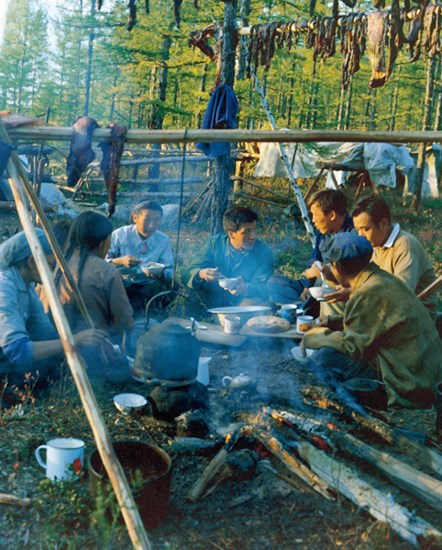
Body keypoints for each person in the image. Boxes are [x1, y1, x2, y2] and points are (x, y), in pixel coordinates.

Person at [301, 233, 442, 408]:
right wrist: (333, 321)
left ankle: (362, 399)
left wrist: (314, 337)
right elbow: (379, 320)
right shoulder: (380, 278)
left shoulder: (366, 293)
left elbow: (354, 347)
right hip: (428, 374)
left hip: (411, 383)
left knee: (325, 357)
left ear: (336, 267)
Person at [0, 229, 107, 393]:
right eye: (50, 266)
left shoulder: (26, 284)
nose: (53, 272)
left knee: (54, 362)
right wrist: (73, 341)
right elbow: (17, 351)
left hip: (10, 354)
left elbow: (46, 333)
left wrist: (69, 354)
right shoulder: (4, 287)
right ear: (31, 262)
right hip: (7, 356)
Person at [54, 211, 134, 349]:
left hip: (56, 343)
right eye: (110, 239)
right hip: (97, 348)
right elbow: (124, 321)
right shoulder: (107, 271)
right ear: (102, 243)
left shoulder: (55, 265)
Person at [267, 189, 355, 314]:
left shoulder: (355, 236)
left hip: (335, 288)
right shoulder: (323, 232)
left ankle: (302, 311)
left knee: (328, 291)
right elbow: (315, 259)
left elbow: (351, 277)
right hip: (316, 286)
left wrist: (322, 274)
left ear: (332, 215)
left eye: (315, 214)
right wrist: (308, 286)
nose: (313, 220)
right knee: (275, 282)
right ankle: (301, 309)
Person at [352, 196, 437, 319]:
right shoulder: (376, 244)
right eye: (357, 230)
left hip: (415, 317)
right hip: (387, 309)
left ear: (384, 224)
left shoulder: (405, 245)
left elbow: (401, 293)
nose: (361, 236)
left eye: (365, 229)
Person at [181, 206, 273, 308]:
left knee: (255, 303)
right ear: (231, 233)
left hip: (242, 304)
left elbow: (265, 288)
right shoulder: (215, 244)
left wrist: (246, 289)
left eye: (254, 230)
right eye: (246, 232)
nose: (253, 236)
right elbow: (188, 271)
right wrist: (201, 273)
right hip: (210, 302)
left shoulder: (263, 251)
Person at [106, 201, 174, 312]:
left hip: (148, 286)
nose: (152, 225)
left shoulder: (163, 240)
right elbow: (101, 261)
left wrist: (160, 274)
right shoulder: (120, 234)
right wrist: (120, 261)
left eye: (156, 220)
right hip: (120, 284)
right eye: (146, 219)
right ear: (135, 218)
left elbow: (169, 270)